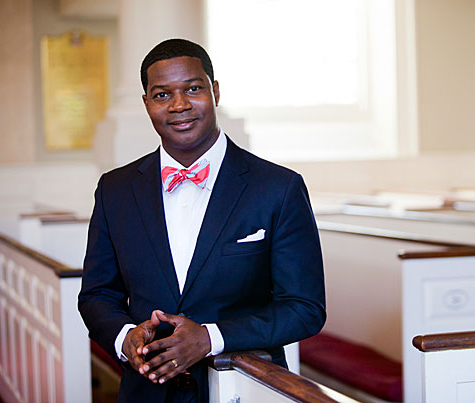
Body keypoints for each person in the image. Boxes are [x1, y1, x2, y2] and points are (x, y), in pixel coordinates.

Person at [78, 38, 326, 402]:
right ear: (147, 103)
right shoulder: (114, 190)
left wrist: (211, 337)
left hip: (243, 386)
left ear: (215, 91)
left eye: (193, 89)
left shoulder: (278, 187)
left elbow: (304, 309)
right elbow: (97, 294)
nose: (179, 105)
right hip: (147, 391)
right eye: (162, 95)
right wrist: (124, 337)